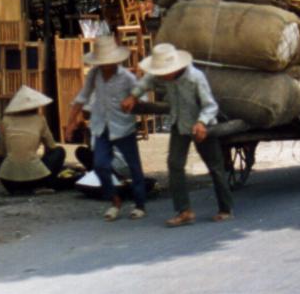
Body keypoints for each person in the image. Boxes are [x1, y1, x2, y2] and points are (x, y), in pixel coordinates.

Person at [121, 43, 233, 227]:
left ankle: (226, 209)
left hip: (201, 127)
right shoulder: (162, 77)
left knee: (215, 167)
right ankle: (184, 211)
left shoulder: (195, 78)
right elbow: (147, 81)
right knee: (174, 164)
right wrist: (133, 96)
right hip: (178, 124)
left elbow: (210, 105)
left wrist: (202, 122)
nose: (163, 75)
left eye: (165, 71)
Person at [65, 36, 147, 221]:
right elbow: (82, 97)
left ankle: (139, 204)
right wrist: (70, 123)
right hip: (101, 126)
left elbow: (142, 96)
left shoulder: (126, 77)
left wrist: (132, 99)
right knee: (100, 165)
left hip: (123, 127)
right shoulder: (94, 74)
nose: (104, 66)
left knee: (134, 167)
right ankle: (114, 199)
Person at [0, 86, 66, 194]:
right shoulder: (40, 119)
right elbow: (52, 146)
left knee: (8, 159)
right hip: (36, 179)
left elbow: (2, 151)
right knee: (59, 151)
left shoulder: (6, 120)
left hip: (8, 181)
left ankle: (19, 188)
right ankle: (41, 186)